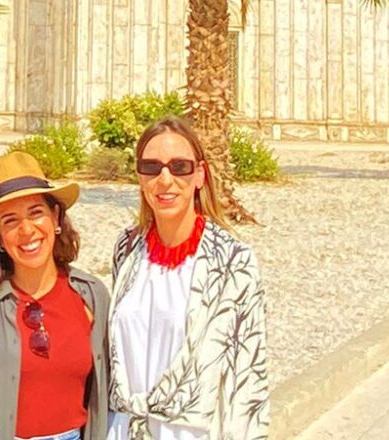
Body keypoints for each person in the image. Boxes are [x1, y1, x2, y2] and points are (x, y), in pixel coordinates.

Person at [109, 116, 270, 440]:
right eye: (151, 167)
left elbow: (248, 379)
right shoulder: (127, 250)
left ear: (200, 175)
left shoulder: (232, 261)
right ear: (140, 177)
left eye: (179, 167)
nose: (165, 179)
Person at [0, 152, 110, 440]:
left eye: (36, 213)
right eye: (10, 220)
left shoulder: (91, 296)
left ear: (55, 217)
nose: (27, 230)